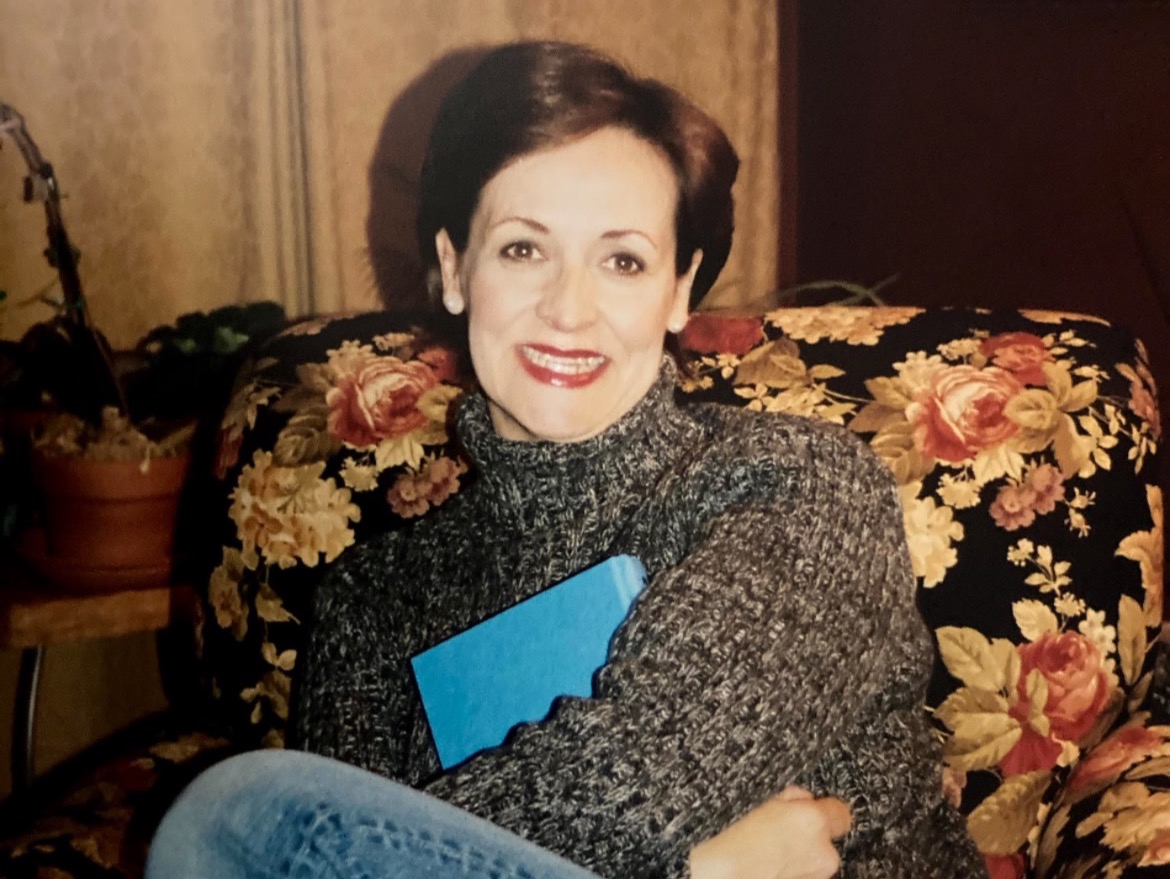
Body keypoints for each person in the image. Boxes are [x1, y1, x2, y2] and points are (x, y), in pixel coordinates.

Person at [146, 41, 986, 879]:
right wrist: (703, 873)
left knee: (236, 814)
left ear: (678, 290)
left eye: (623, 260)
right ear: (455, 268)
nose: (569, 309)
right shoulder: (374, 602)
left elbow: (646, 773)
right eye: (523, 249)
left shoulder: (797, 484)